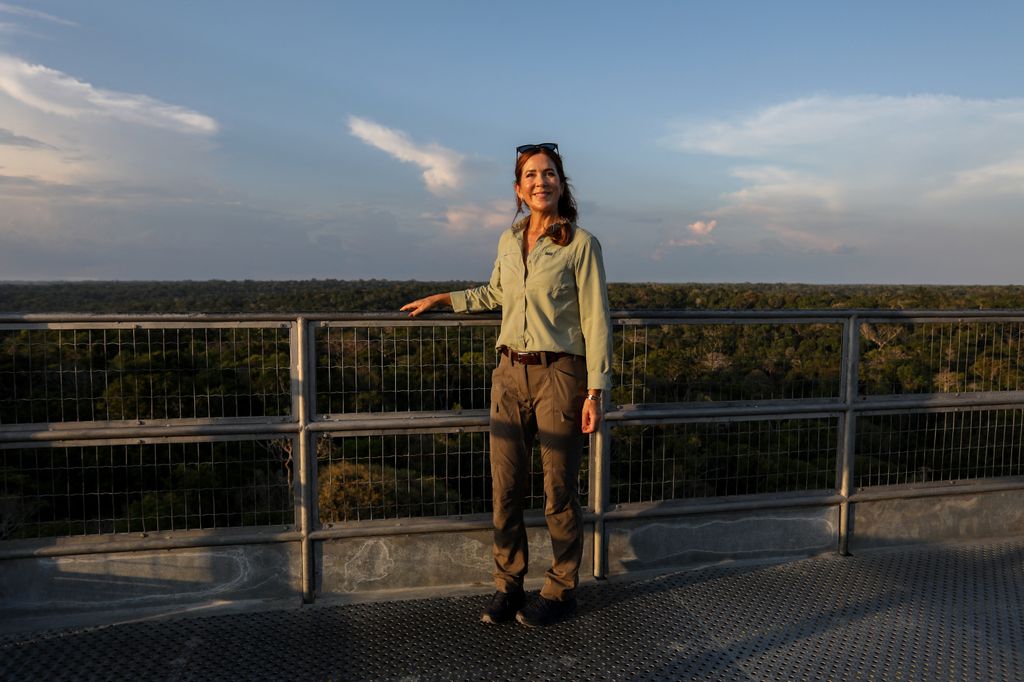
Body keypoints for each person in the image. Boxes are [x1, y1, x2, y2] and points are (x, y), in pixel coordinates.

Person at [401, 142, 612, 627]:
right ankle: (508, 585)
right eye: (532, 176)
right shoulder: (508, 240)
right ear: (519, 189)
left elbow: (598, 321)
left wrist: (595, 391)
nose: (541, 181)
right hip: (507, 373)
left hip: (560, 374)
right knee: (505, 486)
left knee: (558, 488)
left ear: (561, 184)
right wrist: (442, 299)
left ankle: (560, 590)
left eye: (550, 174)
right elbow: (495, 292)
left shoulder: (580, 245)